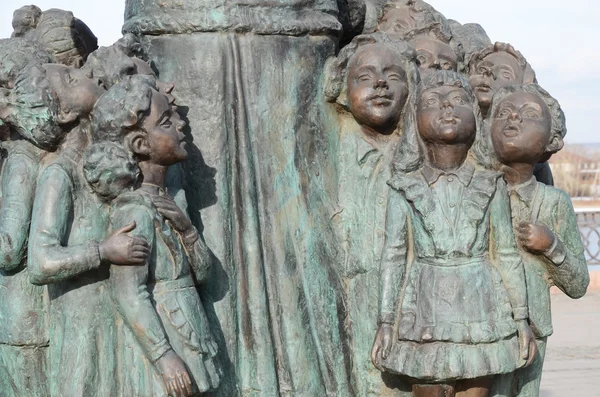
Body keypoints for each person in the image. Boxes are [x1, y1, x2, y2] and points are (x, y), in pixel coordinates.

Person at [371, 70, 536, 397]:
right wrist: (386, 321)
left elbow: (505, 253)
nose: (447, 108)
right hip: (426, 312)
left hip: (481, 311)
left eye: (459, 101)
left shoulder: (491, 185)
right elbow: (393, 256)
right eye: (433, 103)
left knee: (476, 390)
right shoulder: (404, 187)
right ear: (416, 120)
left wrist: (521, 319)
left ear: (475, 117)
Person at [87, 75, 221, 396]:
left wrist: (187, 231)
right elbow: (129, 293)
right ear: (140, 145)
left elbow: (203, 275)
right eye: (166, 122)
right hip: (164, 347)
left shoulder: (171, 199)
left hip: (190, 333)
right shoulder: (135, 211)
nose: (180, 124)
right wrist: (165, 356)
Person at [24, 62, 149, 397]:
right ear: (65, 112)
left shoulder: (113, 162)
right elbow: (41, 262)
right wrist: (103, 251)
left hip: (117, 316)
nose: (87, 73)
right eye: (70, 78)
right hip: (81, 326)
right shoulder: (60, 175)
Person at [325, 32, 418, 396]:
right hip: (348, 300)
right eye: (364, 77)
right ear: (342, 90)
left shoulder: (422, 157)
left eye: (392, 75)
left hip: (413, 301)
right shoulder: (327, 157)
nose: (380, 82)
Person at [488, 84, 589, 397]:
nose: (513, 118)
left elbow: (579, 284)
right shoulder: (479, 195)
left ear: (551, 141)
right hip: (485, 325)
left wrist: (551, 246)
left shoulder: (555, 202)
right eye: (503, 113)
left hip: (535, 326)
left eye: (529, 115)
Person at [467, 42, 552, 186]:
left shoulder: (533, 160)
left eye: (505, 73)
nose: (488, 73)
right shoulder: (453, 138)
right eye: (482, 69)